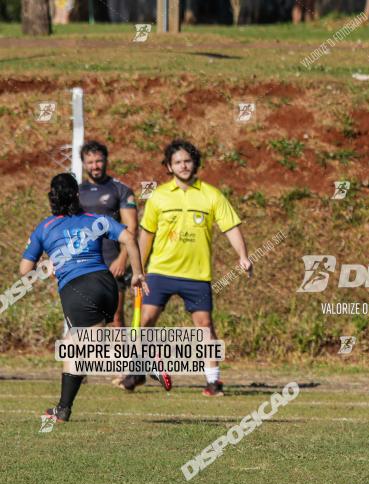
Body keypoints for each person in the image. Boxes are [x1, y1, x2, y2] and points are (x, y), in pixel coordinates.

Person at [121, 139, 252, 397]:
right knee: (145, 321)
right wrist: (139, 270)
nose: (183, 166)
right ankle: (137, 369)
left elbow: (231, 227)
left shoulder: (211, 194)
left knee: (205, 325)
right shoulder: (158, 196)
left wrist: (243, 256)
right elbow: (146, 235)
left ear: (195, 164)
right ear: (169, 166)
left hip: (196, 275)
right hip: (160, 271)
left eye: (187, 161)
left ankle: (213, 382)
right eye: (178, 162)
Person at [21, 173, 148, 422]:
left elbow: (25, 270)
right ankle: (63, 409)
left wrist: (48, 267)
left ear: (52, 198)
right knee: (76, 347)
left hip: (78, 290)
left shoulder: (44, 228)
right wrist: (138, 274)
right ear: (77, 196)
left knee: (84, 347)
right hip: (106, 284)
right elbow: (130, 238)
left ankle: (140, 361)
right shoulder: (95, 218)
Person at [77, 141, 137, 330]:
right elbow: (68, 227)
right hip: (84, 262)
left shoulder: (120, 189)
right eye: (90, 162)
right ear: (84, 164)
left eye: (99, 161)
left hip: (111, 262)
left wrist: (122, 259)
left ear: (106, 161)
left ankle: (119, 360)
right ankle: (93, 360)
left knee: (115, 318)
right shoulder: (77, 192)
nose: (95, 166)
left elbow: (132, 228)